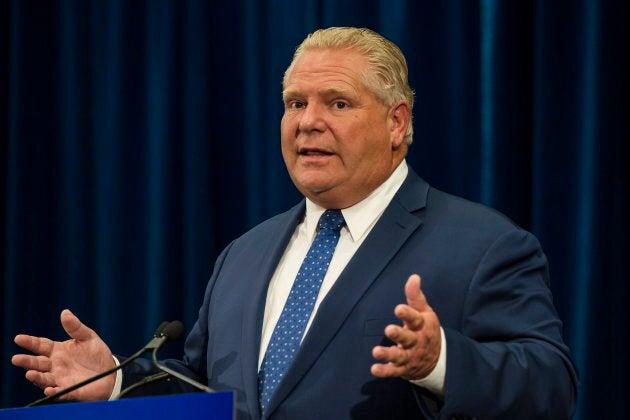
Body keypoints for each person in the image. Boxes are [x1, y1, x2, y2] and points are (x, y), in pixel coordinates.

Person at [12, 27, 578, 419]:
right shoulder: (245, 253)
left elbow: (550, 386)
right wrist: (113, 382)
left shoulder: (484, 245)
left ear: (396, 123)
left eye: (336, 103)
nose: (307, 123)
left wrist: (441, 362)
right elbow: (204, 392)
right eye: (293, 103)